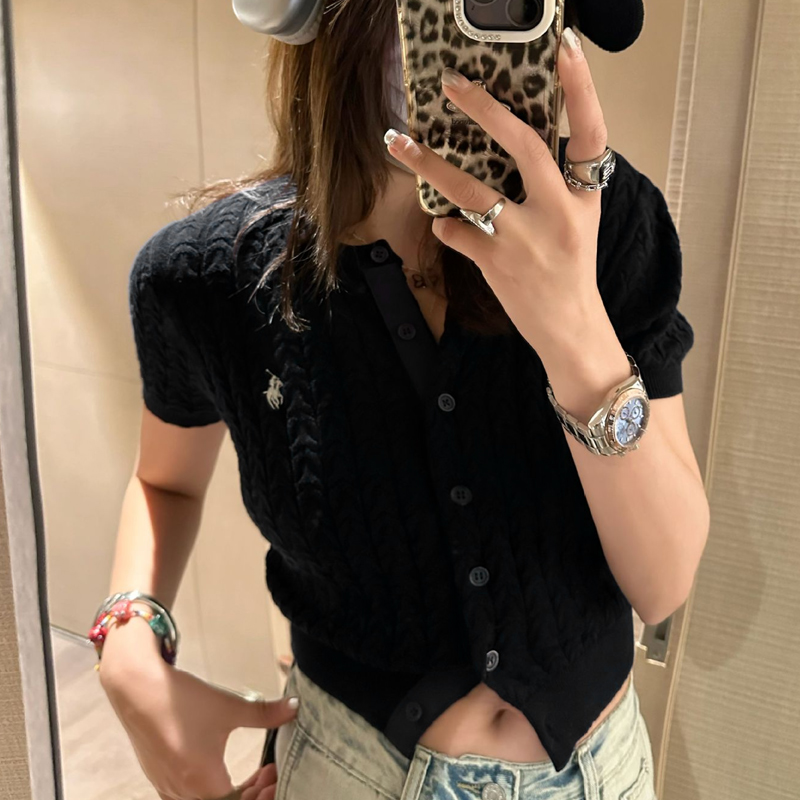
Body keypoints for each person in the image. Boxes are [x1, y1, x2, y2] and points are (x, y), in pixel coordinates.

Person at [93, 3, 709, 799]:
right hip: (347, 769)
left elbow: (663, 584)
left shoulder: (613, 225)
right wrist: (128, 634)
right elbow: (164, 482)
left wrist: (577, 332)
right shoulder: (208, 277)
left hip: (601, 772)